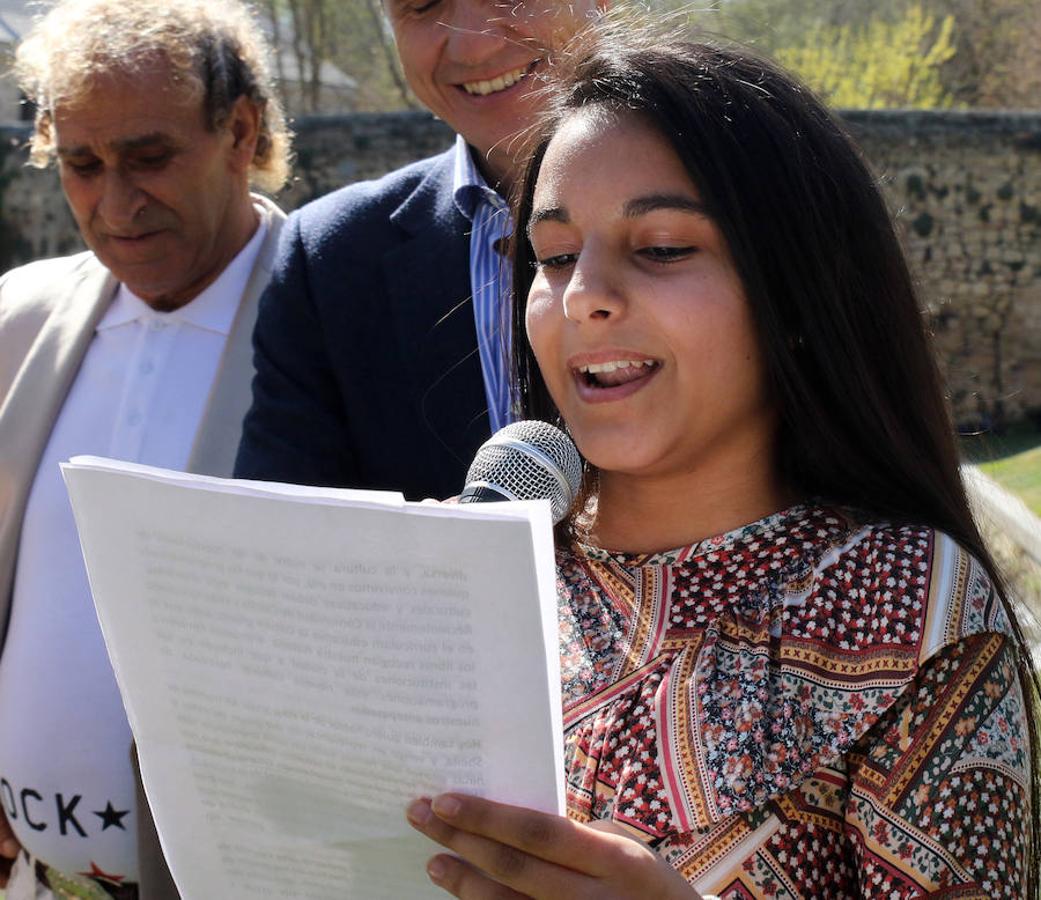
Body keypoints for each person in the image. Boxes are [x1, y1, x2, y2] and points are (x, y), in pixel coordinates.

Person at [404, 30, 1039, 898]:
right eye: (554, 257)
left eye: (661, 247)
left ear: (797, 295)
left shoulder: (913, 610)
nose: (582, 294)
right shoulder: (499, 569)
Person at [0, 1, 291, 896]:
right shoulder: (18, 317)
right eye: (83, 166)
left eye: (150, 158)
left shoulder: (328, 316)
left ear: (239, 132)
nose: (117, 205)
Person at [234, 0, 607, 500]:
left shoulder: (742, 189)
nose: (474, 44)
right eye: (422, 5)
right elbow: (281, 546)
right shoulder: (330, 262)